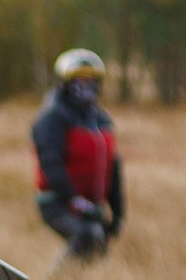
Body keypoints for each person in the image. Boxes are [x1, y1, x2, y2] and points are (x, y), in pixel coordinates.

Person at [33, 48, 124, 260]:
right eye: (79, 79)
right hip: (57, 201)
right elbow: (50, 161)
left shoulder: (101, 120)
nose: (86, 85)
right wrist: (74, 199)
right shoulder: (52, 117)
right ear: (66, 82)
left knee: (99, 246)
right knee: (86, 236)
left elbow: (112, 166)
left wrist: (117, 212)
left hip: (92, 204)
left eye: (91, 79)